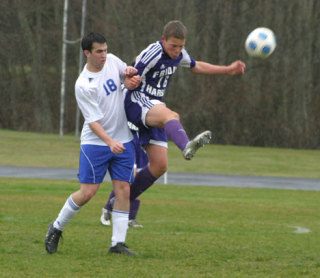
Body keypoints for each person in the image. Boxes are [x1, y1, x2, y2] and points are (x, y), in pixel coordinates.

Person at [125, 20, 246, 202]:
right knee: (172, 116)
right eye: (173, 46)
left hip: (153, 107)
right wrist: (130, 80)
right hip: (135, 101)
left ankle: (115, 203)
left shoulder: (179, 54)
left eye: (181, 46)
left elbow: (196, 66)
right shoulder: (153, 52)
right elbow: (129, 73)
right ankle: (186, 145)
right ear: (163, 39)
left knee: (160, 166)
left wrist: (227, 70)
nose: (176, 51)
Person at [44, 32, 141, 256]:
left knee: (123, 190)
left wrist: (130, 78)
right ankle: (56, 227)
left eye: (105, 50)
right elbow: (94, 122)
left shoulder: (113, 61)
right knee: (88, 192)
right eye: (99, 51)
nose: (104, 55)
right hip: (96, 143)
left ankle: (117, 244)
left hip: (123, 139)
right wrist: (109, 142)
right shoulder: (83, 84)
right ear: (87, 53)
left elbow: (126, 78)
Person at [100, 123, 147, 228]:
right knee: (129, 180)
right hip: (128, 140)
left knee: (138, 181)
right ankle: (108, 209)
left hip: (142, 141)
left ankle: (130, 218)